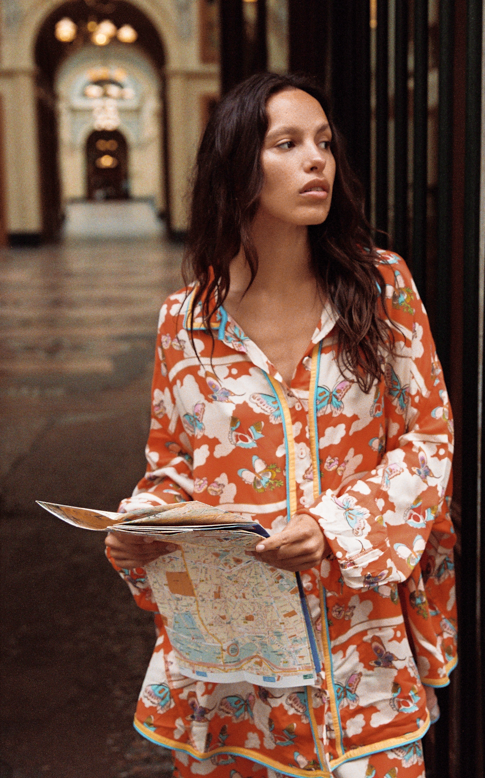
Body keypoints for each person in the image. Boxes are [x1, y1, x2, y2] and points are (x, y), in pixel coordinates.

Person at [105, 72, 457, 778]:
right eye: (287, 143)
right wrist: (142, 524)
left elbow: (427, 443)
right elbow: (172, 464)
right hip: (236, 658)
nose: (316, 159)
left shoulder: (382, 287)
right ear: (238, 166)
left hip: (361, 646)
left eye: (323, 143)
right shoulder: (187, 320)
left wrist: (333, 526)